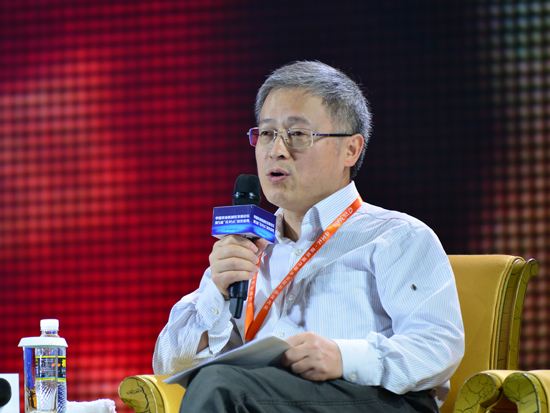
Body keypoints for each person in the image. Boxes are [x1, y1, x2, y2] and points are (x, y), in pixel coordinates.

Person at [153, 61, 465, 413]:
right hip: (269, 399)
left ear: (351, 149)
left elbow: (437, 345)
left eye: (298, 134)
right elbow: (169, 364)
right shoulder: (249, 246)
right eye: (267, 134)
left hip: (377, 400)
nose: (277, 150)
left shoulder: (397, 236)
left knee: (220, 385)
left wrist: (344, 357)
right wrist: (217, 290)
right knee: (217, 383)